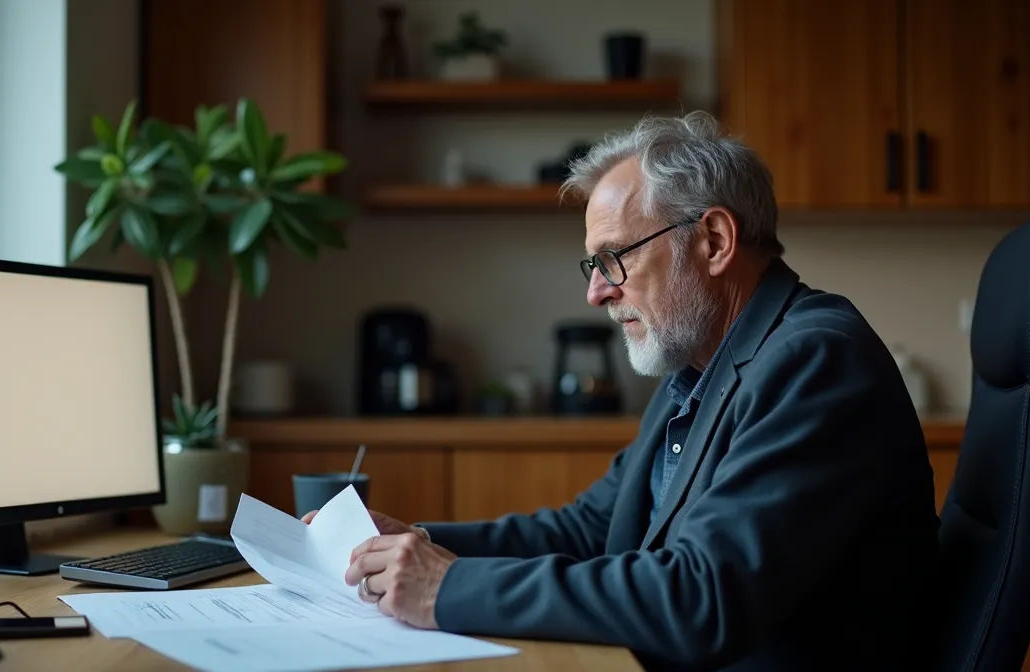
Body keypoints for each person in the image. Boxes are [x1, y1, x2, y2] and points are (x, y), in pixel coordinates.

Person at [305, 111, 940, 670]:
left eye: (615, 258)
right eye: (594, 265)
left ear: (714, 242)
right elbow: (592, 529)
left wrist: (448, 587)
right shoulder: (698, 366)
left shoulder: (815, 360)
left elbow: (704, 598)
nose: (596, 292)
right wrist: (414, 543)